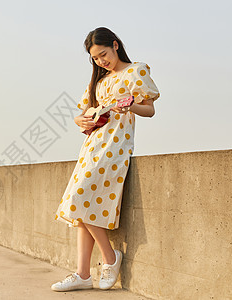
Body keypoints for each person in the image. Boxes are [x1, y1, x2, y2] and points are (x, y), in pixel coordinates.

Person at [51, 27, 160, 292]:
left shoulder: (136, 70)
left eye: (104, 54)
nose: (102, 61)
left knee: (78, 199)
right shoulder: (98, 83)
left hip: (116, 146)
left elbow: (150, 110)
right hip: (91, 146)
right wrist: (82, 119)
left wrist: (130, 106)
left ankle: (110, 259)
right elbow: (81, 115)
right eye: (96, 58)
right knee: (81, 207)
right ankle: (83, 273)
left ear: (115, 45)